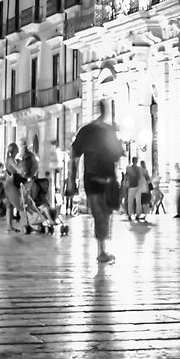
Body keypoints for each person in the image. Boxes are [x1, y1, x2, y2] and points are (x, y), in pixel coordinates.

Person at [69, 107, 124, 264]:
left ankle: (101, 248)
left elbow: (74, 154)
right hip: (107, 179)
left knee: (101, 214)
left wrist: (71, 180)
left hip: (92, 180)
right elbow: (117, 154)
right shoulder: (108, 131)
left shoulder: (86, 131)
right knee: (104, 214)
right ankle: (101, 250)